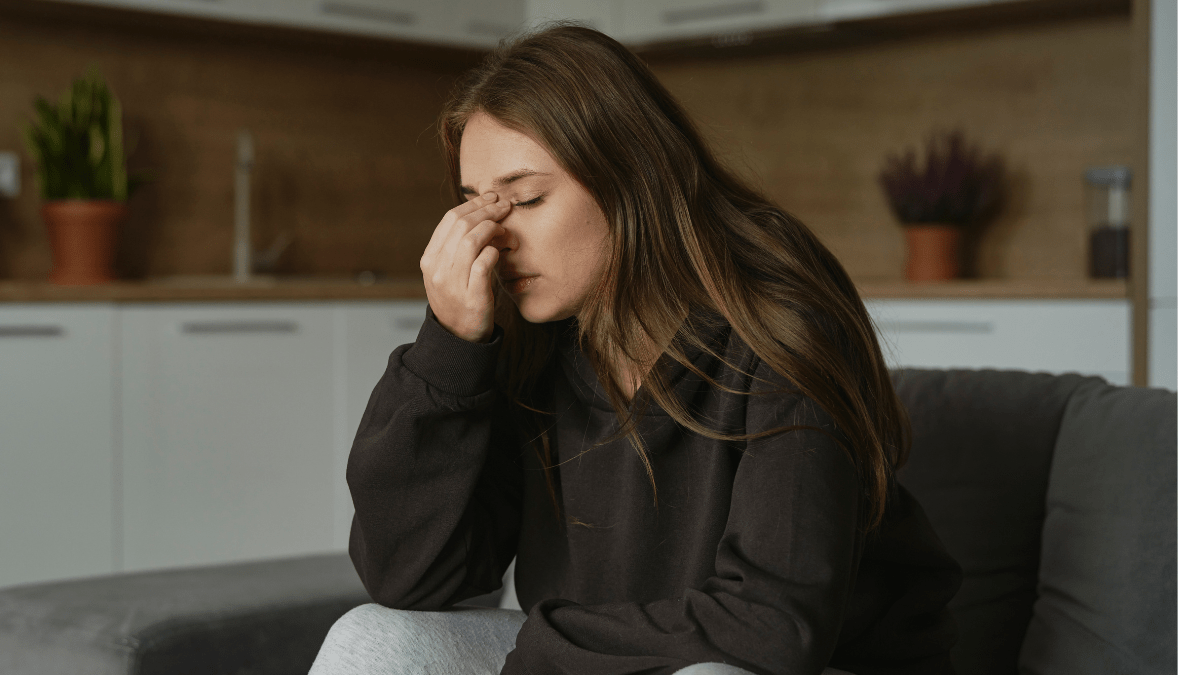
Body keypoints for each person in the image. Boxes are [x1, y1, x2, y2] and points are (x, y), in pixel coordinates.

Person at [310, 24, 961, 675]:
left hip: (796, 665)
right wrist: (449, 345)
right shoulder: (537, 340)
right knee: (374, 635)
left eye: (527, 198)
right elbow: (406, 576)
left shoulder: (779, 310)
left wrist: (540, 646)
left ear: (628, 172)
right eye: (476, 204)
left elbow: (772, 626)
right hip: (618, 655)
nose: (492, 238)